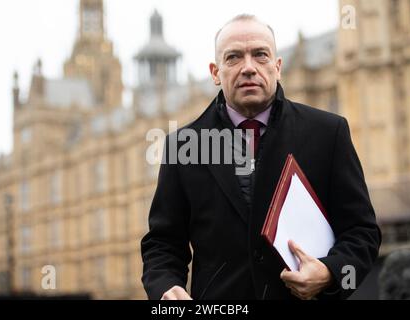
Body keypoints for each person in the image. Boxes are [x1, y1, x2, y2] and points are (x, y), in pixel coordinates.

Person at [141, 14, 381, 300]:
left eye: (260, 55)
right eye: (233, 58)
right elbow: (163, 244)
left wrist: (330, 272)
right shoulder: (183, 145)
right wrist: (166, 288)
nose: (248, 68)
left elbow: (361, 232)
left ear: (277, 67)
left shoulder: (328, 133)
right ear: (215, 72)